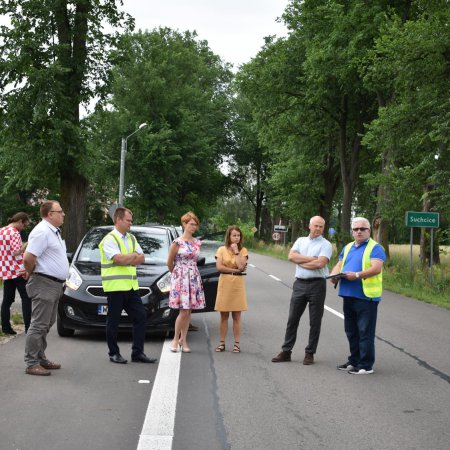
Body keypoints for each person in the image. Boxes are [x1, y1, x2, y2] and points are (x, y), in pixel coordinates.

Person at [98, 207, 157, 364]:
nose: (131, 223)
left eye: (131, 220)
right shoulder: (109, 239)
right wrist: (132, 257)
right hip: (115, 287)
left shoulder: (131, 238)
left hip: (131, 287)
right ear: (118, 220)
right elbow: (119, 259)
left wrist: (129, 257)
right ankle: (114, 353)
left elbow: (142, 258)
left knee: (141, 317)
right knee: (114, 321)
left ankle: (137, 353)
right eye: (128, 220)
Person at [272, 216, 333, 365]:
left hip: (317, 285)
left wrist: (301, 262)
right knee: (292, 319)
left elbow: (320, 263)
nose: (318, 228)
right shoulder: (300, 241)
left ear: (323, 228)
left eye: (321, 226)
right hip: (299, 284)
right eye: (315, 226)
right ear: (309, 226)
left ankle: (310, 353)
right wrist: (310, 258)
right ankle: (286, 351)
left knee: (315, 321)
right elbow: (291, 256)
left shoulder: (326, 245)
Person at [329, 217, 386, 375]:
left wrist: (357, 275)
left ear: (369, 231)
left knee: (364, 332)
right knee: (351, 331)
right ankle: (354, 361)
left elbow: (376, 269)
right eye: (356, 229)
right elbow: (340, 264)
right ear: (352, 232)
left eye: (362, 229)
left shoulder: (375, 248)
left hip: (366, 297)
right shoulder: (348, 247)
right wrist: (333, 275)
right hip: (348, 294)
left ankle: (366, 365)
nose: (359, 231)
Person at [23, 201, 69, 376]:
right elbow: (28, 257)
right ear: (50, 214)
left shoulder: (53, 232)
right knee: (38, 324)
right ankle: (32, 362)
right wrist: (30, 271)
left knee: (47, 323)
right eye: (60, 211)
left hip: (54, 284)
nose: (63, 214)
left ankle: (40, 358)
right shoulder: (42, 231)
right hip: (44, 283)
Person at [167, 211, 205, 353]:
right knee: (183, 311)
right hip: (181, 277)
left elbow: (196, 260)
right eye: (191, 224)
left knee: (189, 311)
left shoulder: (197, 243)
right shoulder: (177, 243)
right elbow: (169, 263)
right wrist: (177, 275)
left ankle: (184, 340)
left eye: (195, 224)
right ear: (184, 224)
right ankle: (175, 339)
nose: (193, 227)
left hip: (193, 276)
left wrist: (189, 273)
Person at [214, 225, 248, 353]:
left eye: (238, 235)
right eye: (234, 235)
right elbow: (219, 267)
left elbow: (241, 266)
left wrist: (236, 252)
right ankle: (222, 343)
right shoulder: (221, 249)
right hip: (225, 282)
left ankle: (236, 344)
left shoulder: (243, 250)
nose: (236, 238)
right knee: (223, 315)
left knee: (237, 316)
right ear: (229, 236)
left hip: (237, 285)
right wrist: (235, 270)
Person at [0, 212, 32, 334]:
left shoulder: (1, 231)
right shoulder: (14, 232)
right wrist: (27, 244)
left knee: (7, 300)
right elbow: (16, 252)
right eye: (24, 225)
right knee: (26, 299)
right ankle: (29, 328)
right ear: (20, 221)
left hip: (6, 271)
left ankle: (6, 328)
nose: (24, 228)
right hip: (18, 271)